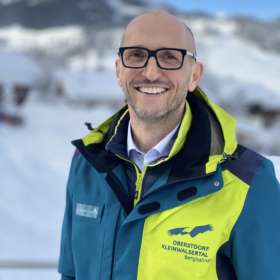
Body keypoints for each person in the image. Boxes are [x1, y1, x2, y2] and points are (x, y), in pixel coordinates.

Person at [58, 10, 280, 280]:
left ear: (194, 76)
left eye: (169, 57)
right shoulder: (86, 165)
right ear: (118, 70)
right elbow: (71, 274)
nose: (151, 72)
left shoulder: (248, 182)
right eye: (137, 55)